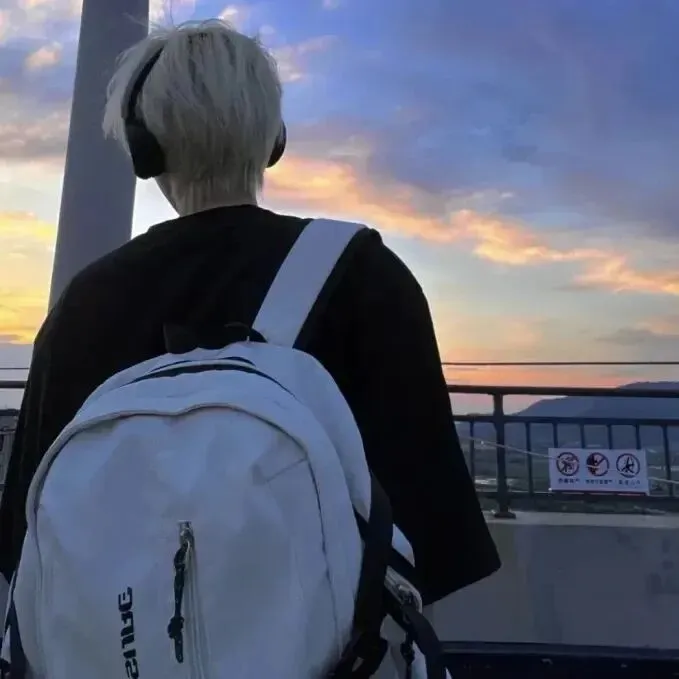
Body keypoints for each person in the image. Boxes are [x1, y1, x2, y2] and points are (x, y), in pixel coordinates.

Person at [0, 18, 499, 623]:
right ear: (273, 139)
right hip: (332, 651)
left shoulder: (86, 303)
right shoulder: (365, 276)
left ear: (142, 146)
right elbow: (432, 538)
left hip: (119, 646)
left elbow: (30, 535)